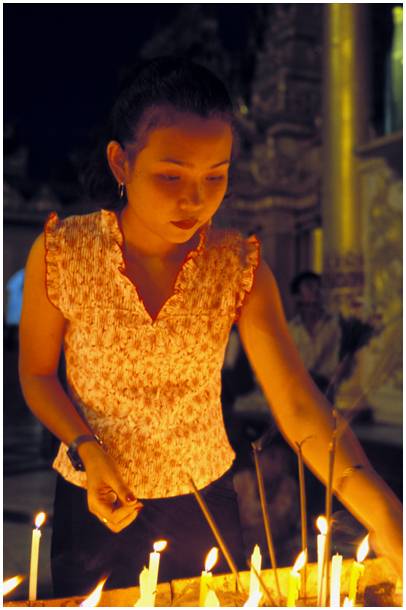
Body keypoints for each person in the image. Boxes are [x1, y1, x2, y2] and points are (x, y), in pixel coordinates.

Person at [19, 57, 402, 597]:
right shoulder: (63, 253)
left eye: (215, 176)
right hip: (95, 501)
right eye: (171, 175)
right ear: (121, 163)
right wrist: (87, 446)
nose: (194, 199)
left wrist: (386, 515)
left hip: (204, 505)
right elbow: (37, 375)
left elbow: (298, 406)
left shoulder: (237, 268)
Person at [288, 271, 341, 399]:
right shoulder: (290, 330)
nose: (316, 290)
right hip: (298, 394)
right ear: (297, 296)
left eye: (319, 286)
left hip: (329, 394)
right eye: (310, 286)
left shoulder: (335, 325)